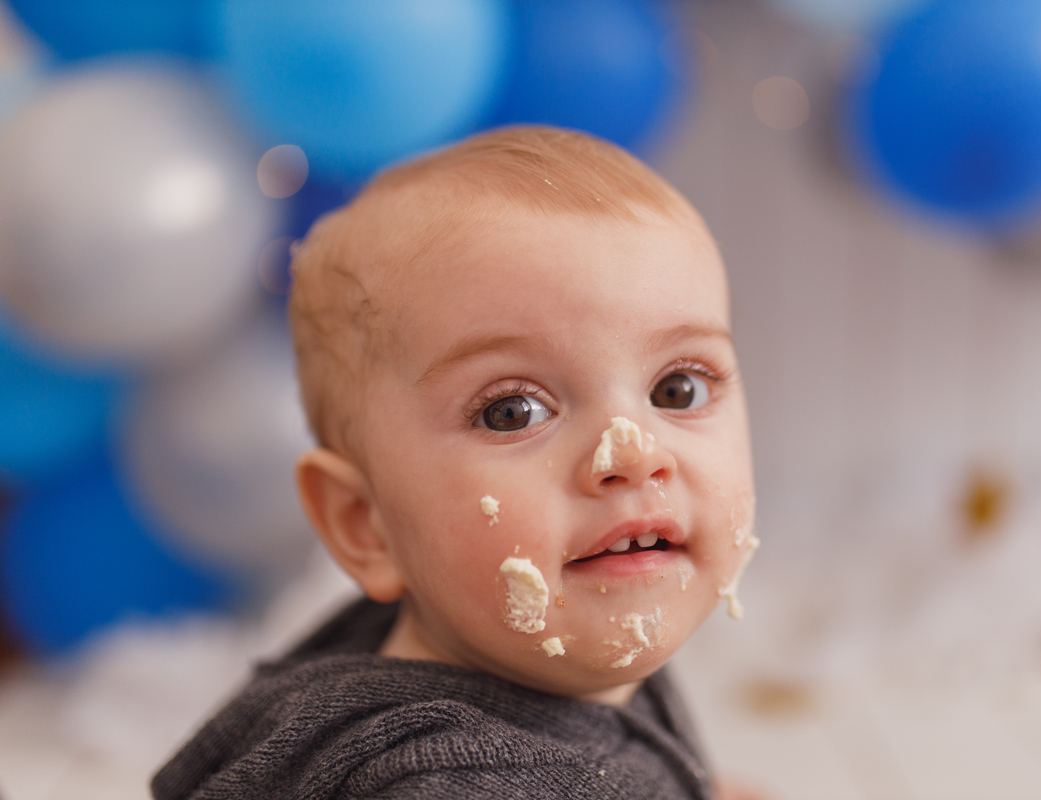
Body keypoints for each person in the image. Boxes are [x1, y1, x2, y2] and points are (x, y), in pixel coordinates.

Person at [152, 126, 759, 800]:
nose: (633, 454)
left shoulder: (548, 637)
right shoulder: (445, 783)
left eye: (678, 389)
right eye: (512, 412)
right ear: (366, 524)